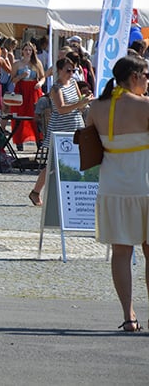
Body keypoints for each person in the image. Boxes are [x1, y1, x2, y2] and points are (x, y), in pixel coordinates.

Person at [88, 55, 149, 332]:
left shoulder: (95, 107)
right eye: (146, 75)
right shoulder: (145, 106)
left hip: (113, 187)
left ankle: (128, 314)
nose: (147, 81)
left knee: (121, 253)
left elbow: (89, 149)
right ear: (134, 77)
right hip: (144, 184)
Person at [29, 57, 92, 206]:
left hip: (76, 126)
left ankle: (73, 194)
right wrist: (79, 104)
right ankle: (36, 191)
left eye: (73, 70)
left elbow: (80, 107)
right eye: (68, 70)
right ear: (59, 71)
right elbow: (61, 109)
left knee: (77, 161)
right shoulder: (56, 88)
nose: (71, 73)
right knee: (52, 164)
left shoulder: (74, 83)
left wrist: (86, 102)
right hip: (60, 129)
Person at [10, 41, 45, 148]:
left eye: (30, 50)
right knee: (19, 115)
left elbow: (43, 77)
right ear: (22, 51)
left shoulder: (37, 63)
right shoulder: (17, 64)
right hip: (21, 90)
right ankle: (19, 140)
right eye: (26, 50)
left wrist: (40, 83)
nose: (28, 52)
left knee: (35, 115)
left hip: (33, 90)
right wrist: (21, 76)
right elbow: (12, 80)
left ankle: (39, 139)